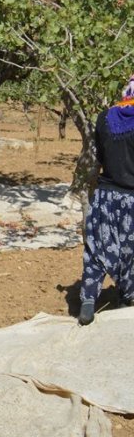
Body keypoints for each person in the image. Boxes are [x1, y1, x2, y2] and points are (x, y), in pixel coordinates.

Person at [78, 74, 134, 325]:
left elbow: (97, 157)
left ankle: (88, 300)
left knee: (96, 248)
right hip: (131, 200)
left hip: (105, 196)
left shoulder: (104, 118)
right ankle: (126, 299)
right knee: (130, 253)